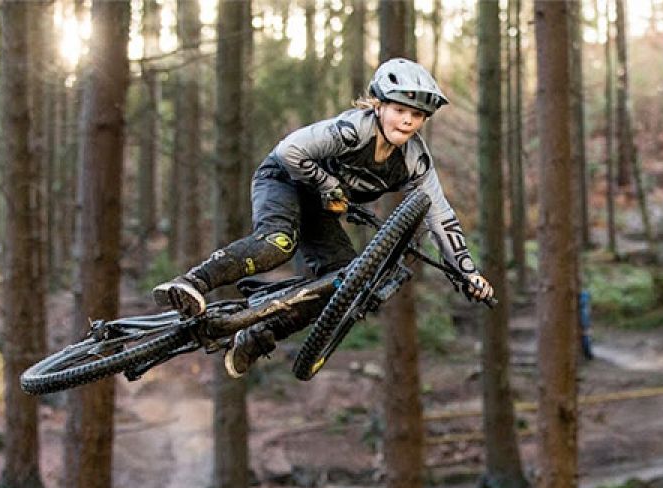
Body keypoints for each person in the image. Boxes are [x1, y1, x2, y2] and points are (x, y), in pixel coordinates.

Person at [154, 58, 494, 378]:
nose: (407, 120)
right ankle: (190, 284)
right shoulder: (351, 131)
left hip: (320, 205)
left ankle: (258, 336)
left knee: (346, 284)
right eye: (399, 110)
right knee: (278, 244)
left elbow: (441, 216)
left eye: (416, 115)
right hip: (283, 180)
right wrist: (327, 184)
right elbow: (289, 151)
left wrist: (468, 273)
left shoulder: (415, 160)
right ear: (379, 106)